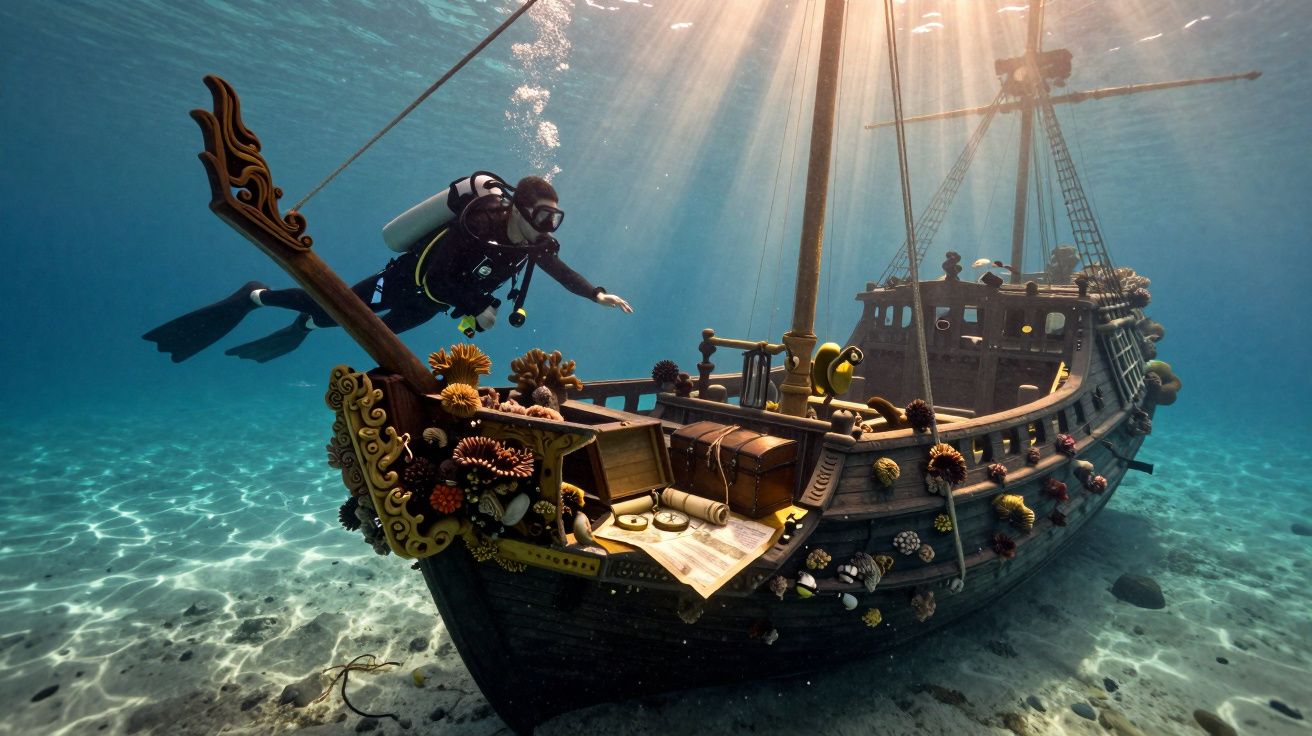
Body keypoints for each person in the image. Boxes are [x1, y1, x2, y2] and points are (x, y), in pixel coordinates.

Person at [144, 173, 632, 363]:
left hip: (427, 308)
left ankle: (303, 327)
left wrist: (596, 293)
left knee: (361, 332)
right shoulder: (478, 224)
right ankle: (255, 296)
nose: (547, 229)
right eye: (542, 217)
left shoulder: (533, 245)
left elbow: (561, 271)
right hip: (401, 283)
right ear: (519, 209)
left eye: (554, 220)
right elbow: (437, 276)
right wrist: (478, 304)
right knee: (336, 308)